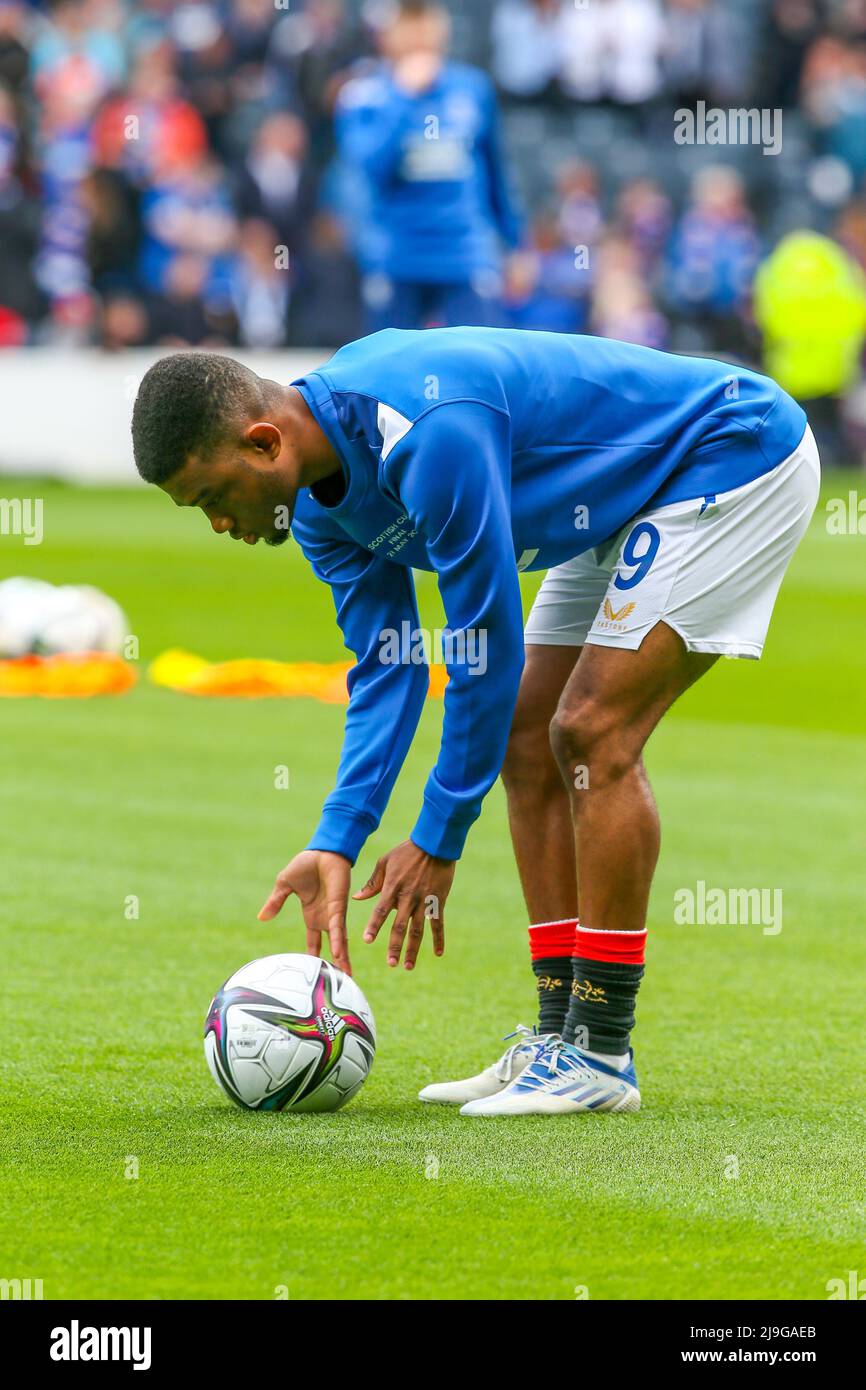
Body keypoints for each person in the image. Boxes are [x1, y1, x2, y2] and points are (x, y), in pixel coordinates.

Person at [131, 326, 819, 1117]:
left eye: (213, 498)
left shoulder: (429, 434)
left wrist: (438, 835)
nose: (219, 525)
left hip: (728, 451)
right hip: (624, 496)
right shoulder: (319, 510)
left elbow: (481, 646)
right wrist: (338, 835)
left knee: (591, 731)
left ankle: (601, 1050)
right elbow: (390, 668)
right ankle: (560, 1035)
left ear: (262, 443)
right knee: (530, 735)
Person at [334, 0, 523, 331]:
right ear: (387, 35)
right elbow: (371, 169)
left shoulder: (472, 89)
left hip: (464, 254)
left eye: (426, 22)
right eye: (409, 24)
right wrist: (404, 97)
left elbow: (496, 174)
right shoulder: (363, 95)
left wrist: (516, 244)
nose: (419, 35)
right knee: (388, 368)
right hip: (397, 255)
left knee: (476, 361)